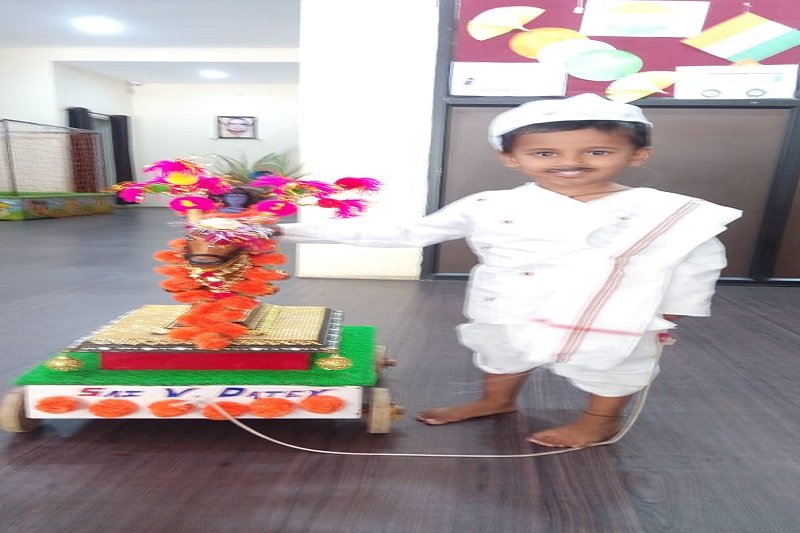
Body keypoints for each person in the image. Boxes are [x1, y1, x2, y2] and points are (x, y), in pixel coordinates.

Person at [272, 93, 742, 448]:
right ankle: (496, 400)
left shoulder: (669, 212)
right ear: (511, 158)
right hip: (507, 302)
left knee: (610, 365)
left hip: (615, 310)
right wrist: (285, 231)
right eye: (545, 153)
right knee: (500, 352)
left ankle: (598, 422)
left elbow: (700, 259)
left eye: (597, 152)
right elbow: (406, 232)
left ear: (637, 155)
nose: (571, 163)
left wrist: (675, 311)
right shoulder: (487, 204)